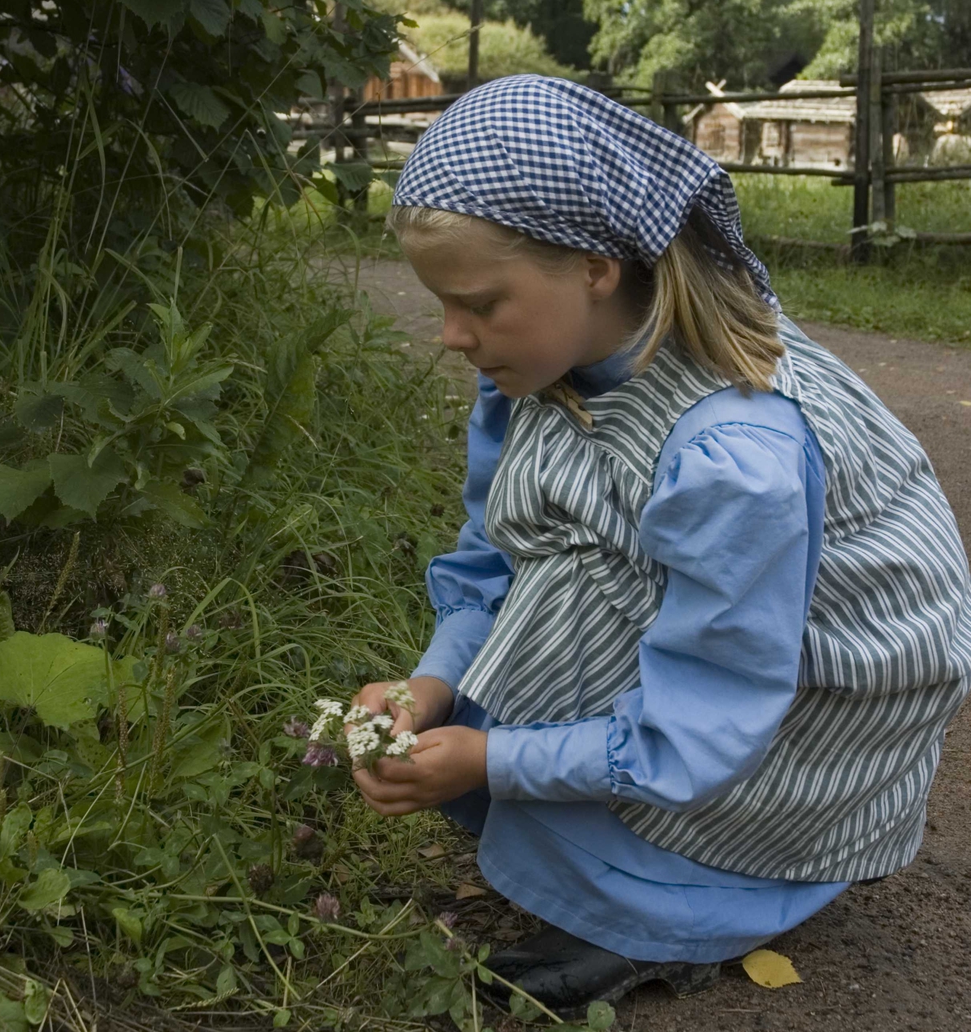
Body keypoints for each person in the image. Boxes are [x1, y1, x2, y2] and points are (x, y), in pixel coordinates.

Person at [348, 75, 971, 1016]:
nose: (449, 335)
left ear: (597, 264)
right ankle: (615, 844)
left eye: (477, 301)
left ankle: (708, 896)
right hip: (713, 633)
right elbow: (500, 555)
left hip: (809, 688)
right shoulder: (536, 368)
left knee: (518, 721)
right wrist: (430, 684)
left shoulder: (737, 456)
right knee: (513, 667)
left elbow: (709, 714)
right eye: (441, 302)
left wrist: (491, 759)